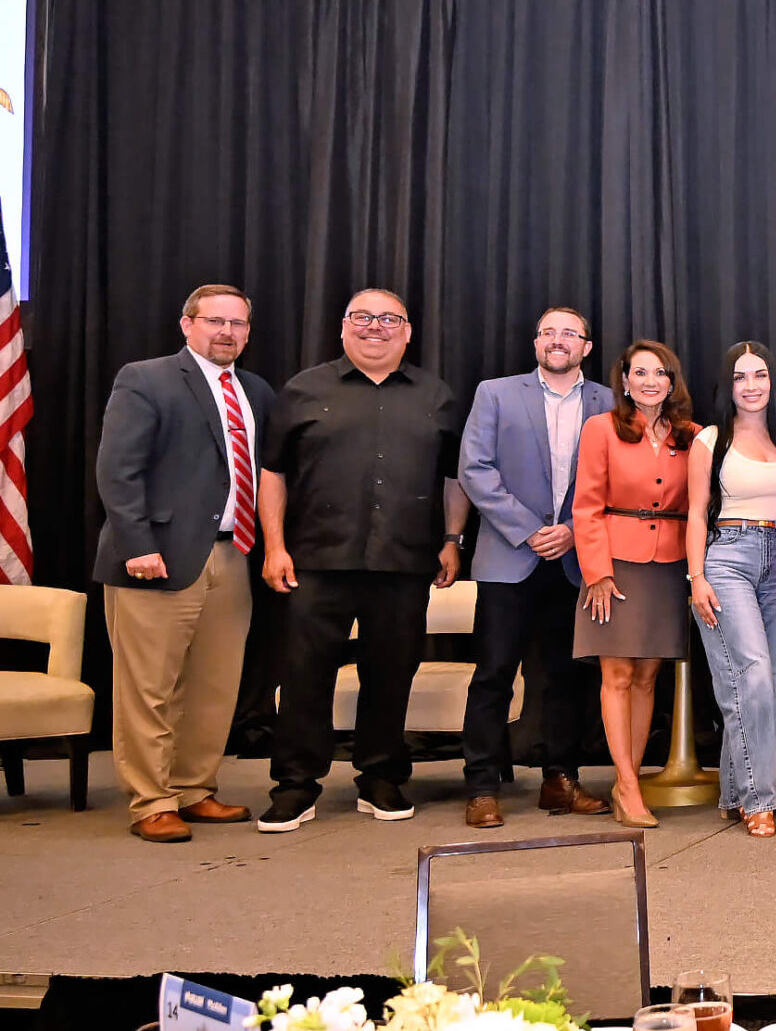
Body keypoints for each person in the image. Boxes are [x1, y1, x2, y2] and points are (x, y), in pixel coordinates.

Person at [254, 288, 464, 833]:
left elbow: (453, 476)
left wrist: (451, 539)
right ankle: (295, 785)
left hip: (404, 561)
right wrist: (274, 546)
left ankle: (380, 776)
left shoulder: (436, 395)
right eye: (363, 317)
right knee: (304, 675)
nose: (376, 327)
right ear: (343, 326)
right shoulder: (303, 389)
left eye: (389, 318)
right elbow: (272, 472)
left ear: (408, 331)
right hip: (315, 560)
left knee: (391, 673)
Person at [92, 285, 272, 841]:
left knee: (215, 685)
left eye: (237, 323)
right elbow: (118, 470)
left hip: (233, 554)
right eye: (215, 321)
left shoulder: (256, 391)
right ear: (187, 324)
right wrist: (136, 544)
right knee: (149, 687)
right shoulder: (146, 379)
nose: (226, 332)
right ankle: (151, 800)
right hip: (157, 557)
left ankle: (194, 790)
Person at [454, 306, 616, 828]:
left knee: (567, 676)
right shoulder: (495, 393)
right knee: (494, 674)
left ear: (586, 347)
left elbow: (618, 480)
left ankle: (560, 779)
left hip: (575, 560)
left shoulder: (610, 402)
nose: (557, 340)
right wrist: (528, 529)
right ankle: (482, 786)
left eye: (569, 333)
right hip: (509, 557)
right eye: (548, 332)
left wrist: (571, 529)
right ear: (536, 342)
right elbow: (475, 469)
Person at [572, 341, 697, 830]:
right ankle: (625, 784)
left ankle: (633, 778)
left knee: (648, 676)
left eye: (659, 373)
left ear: (672, 381)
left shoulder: (691, 435)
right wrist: (597, 572)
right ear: (624, 381)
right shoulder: (600, 429)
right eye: (639, 373)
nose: (650, 381)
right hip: (615, 565)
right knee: (618, 675)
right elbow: (586, 506)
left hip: (668, 566)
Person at [686, 342, 776, 838]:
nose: (751, 386)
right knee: (751, 676)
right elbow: (695, 514)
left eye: (760, 375)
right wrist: (697, 578)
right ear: (727, 386)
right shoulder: (711, 439)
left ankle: (734, 792)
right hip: (728, 557)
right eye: (740, 377)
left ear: (773, 380)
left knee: (772, 680)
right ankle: (761, 800)